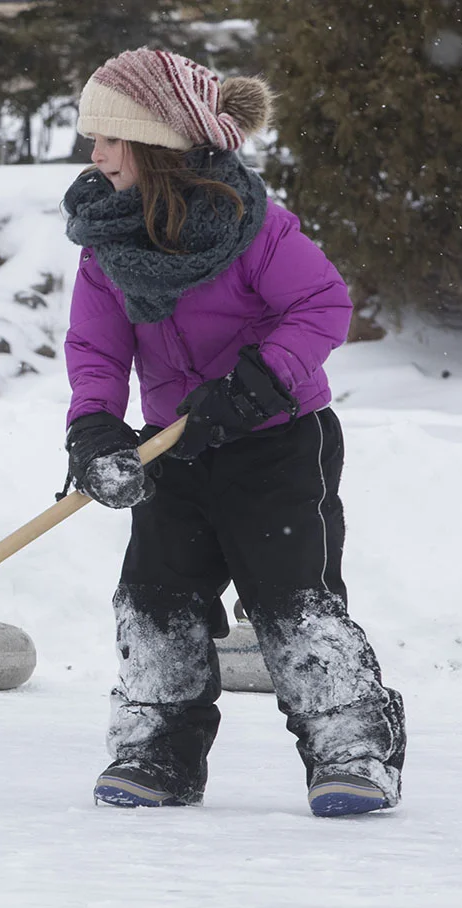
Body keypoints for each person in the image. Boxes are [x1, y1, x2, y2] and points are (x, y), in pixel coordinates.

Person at [60, 48, 405, 817]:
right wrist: (92, 427)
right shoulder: (108, 243)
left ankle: (351, 747)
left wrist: (254, 385)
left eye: (110, 138)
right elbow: (96, 347)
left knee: (291, 601)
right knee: (154, 597)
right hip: (172, 447)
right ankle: (157, 752)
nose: (95, 154)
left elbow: (322, 306)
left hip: (276, 440)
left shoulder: (252, 227)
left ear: (155, 142)